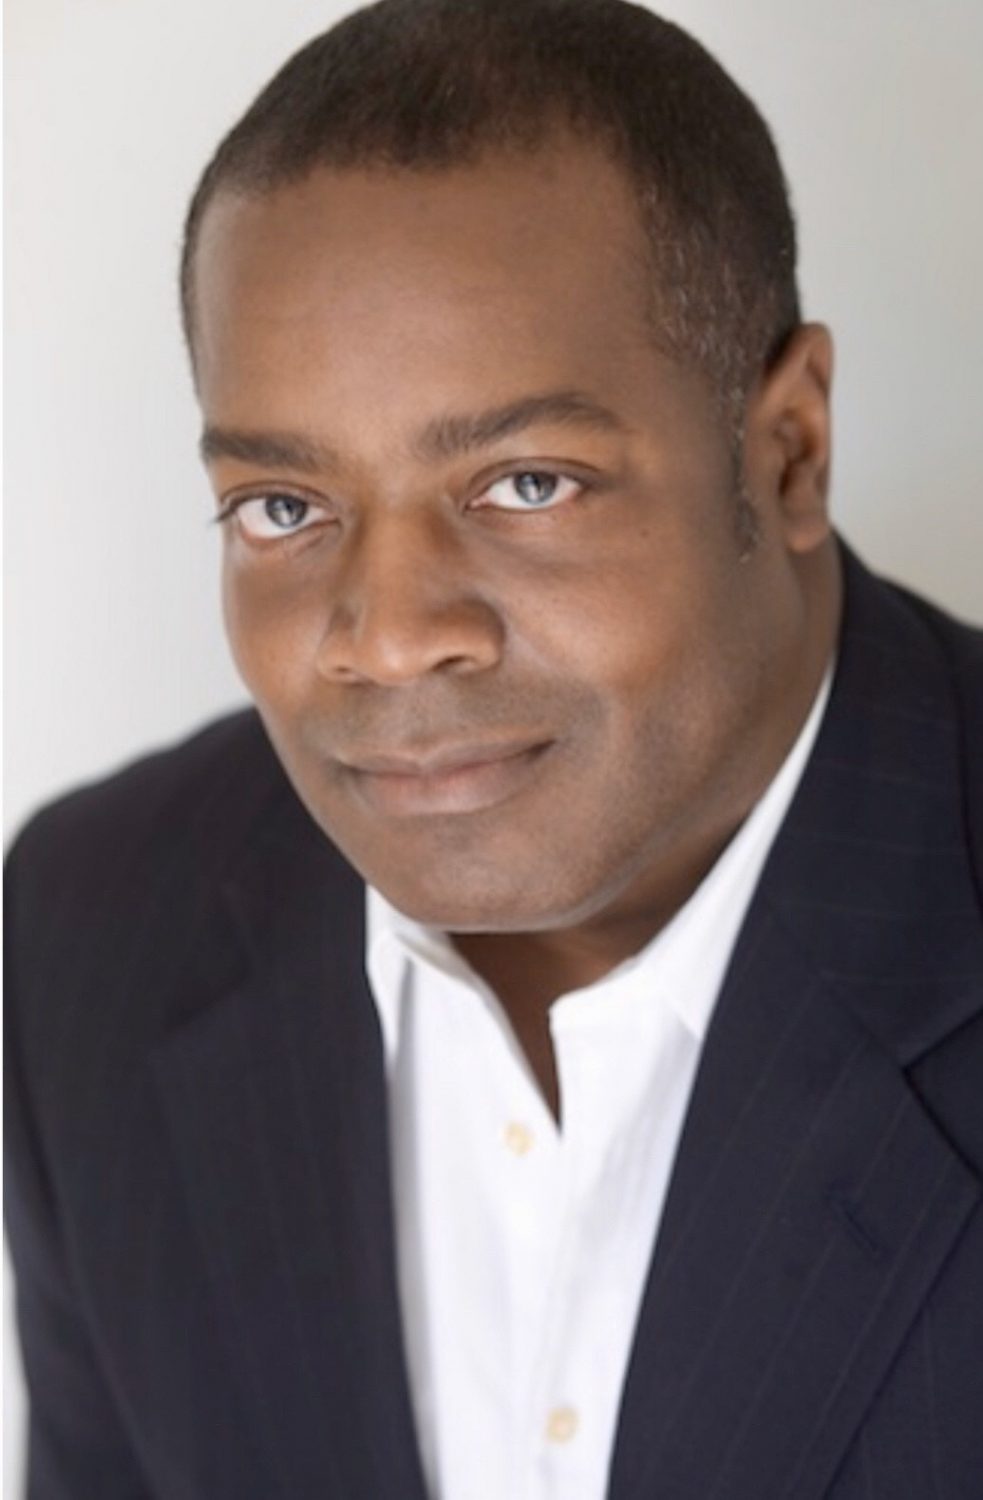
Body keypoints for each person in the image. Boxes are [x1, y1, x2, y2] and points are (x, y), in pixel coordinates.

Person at [5, 0, 982, 1496]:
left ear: (787, 449)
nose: (392, 638)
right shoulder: (92, 934)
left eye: (528, 483)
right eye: (282, 506)